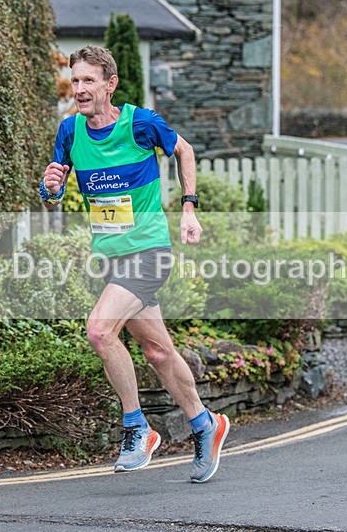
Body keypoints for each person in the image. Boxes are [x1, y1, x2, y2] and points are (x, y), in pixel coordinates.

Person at [39, 45, 229, 483]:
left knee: (99, 330)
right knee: (158, 351)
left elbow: (185, 151)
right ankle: (205, 423)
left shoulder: (140, 124)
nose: (80, 88)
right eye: (76, 80)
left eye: (89, 80)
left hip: (148, 252)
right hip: (112, 259)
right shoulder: (70, 132)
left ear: (110, 84)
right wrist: (49, 187)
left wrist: (188, 208)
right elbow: (54, 185)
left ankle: (136, 428)